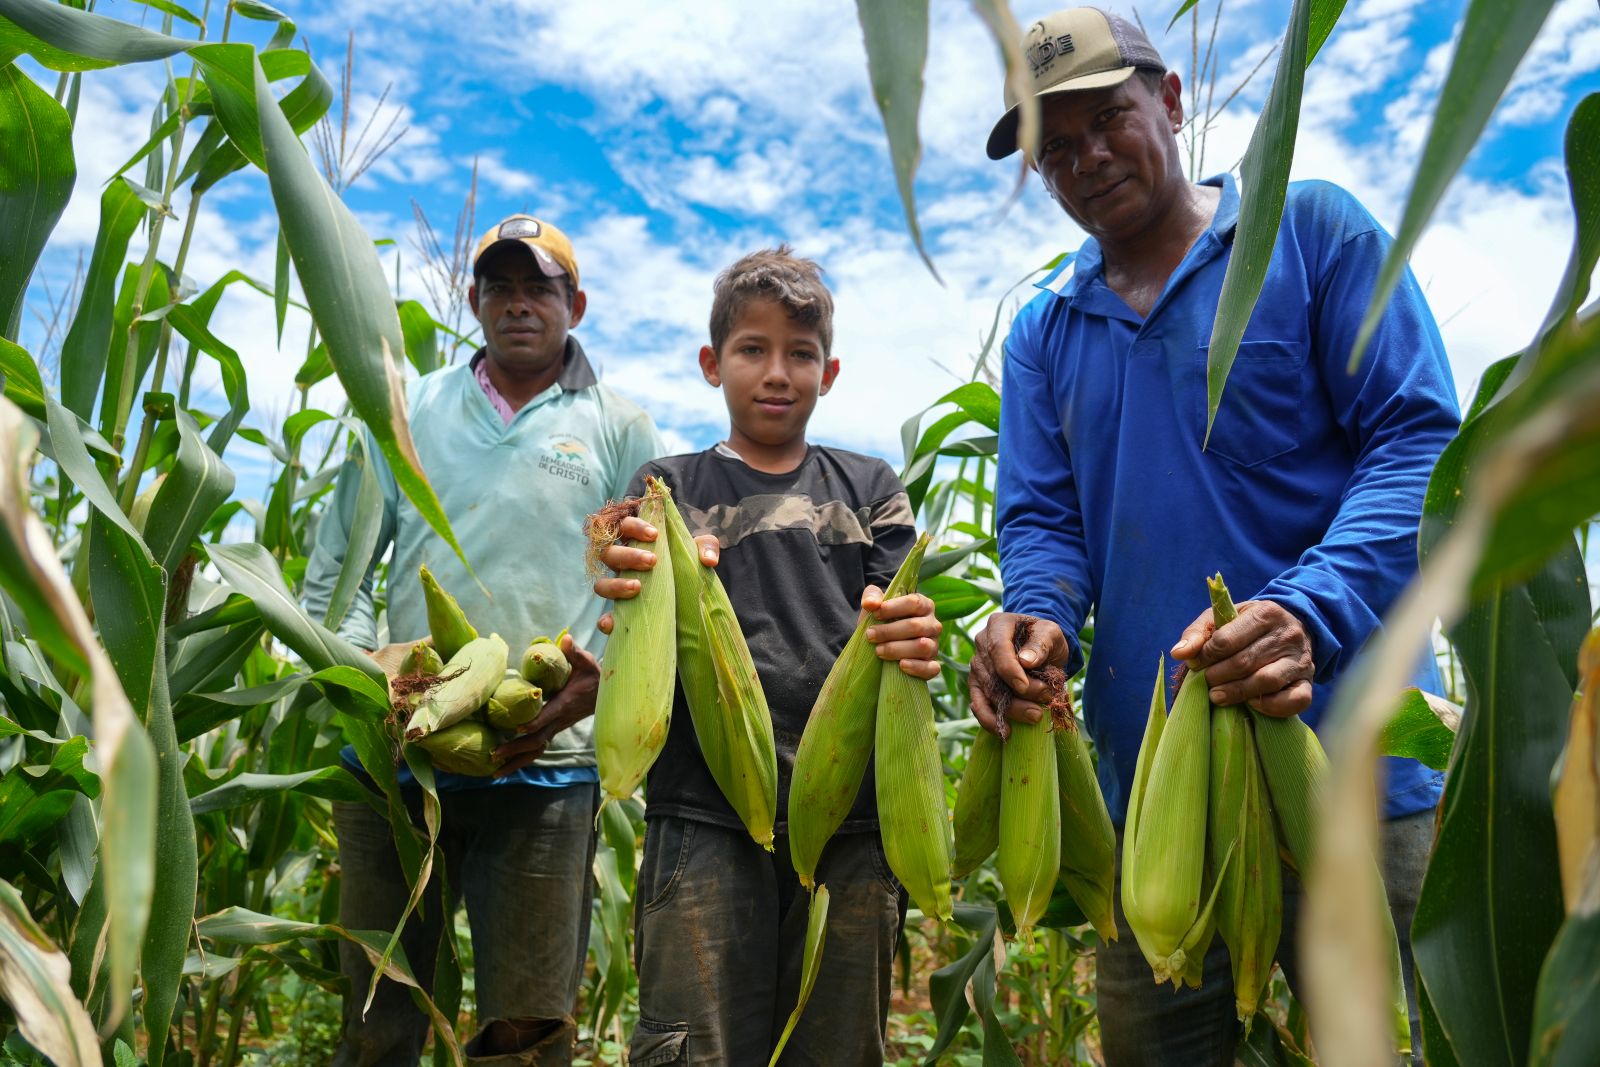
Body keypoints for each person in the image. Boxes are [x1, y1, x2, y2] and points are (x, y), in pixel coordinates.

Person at [967, 8, 1460, 1064]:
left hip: (1360, 776)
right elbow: (1043, 523)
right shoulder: (1045, 333)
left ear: (1172, 100)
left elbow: (1416, 445)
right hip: (1157, 799)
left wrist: (1305, 609)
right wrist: (1037, 619)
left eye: (1106, 119)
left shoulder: (1310, 231)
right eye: (1056, 148)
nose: (1086, 158)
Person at [303, 213, 665, 1066]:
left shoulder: (621, 427)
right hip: (397, 760)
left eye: (539, 285)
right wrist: (372, 685)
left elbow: (654, 602)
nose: (518, 303)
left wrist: (596, 683)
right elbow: (336, 580)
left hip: (549, 765)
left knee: (527, 1031)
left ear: (574, 303)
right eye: (499, 285)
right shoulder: (405, 408)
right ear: (473, 300)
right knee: (378, 1017)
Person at [592, 247, 942, 1065]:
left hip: (853, 823)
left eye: (801, 353)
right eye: (753, 349)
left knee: (838, 1044)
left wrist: (912, 631)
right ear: (714, 364)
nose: (777, 372)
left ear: (832, 370)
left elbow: (901, 611)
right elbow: (624, 570)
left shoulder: (869, 487)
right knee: (694, 1043)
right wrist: (621, 560)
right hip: (704, 815)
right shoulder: (668, 487)